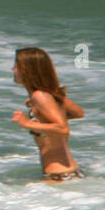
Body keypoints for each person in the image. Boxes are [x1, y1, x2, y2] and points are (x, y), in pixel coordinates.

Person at [10, 47, 84, 181]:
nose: (12, 69)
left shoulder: (40, 96)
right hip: (68, 173)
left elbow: (62, 129)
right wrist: (43, 112)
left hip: (58, 176)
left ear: (27, 70)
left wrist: (27, 123)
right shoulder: (48, 95)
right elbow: (78, 113)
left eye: (16, 65)